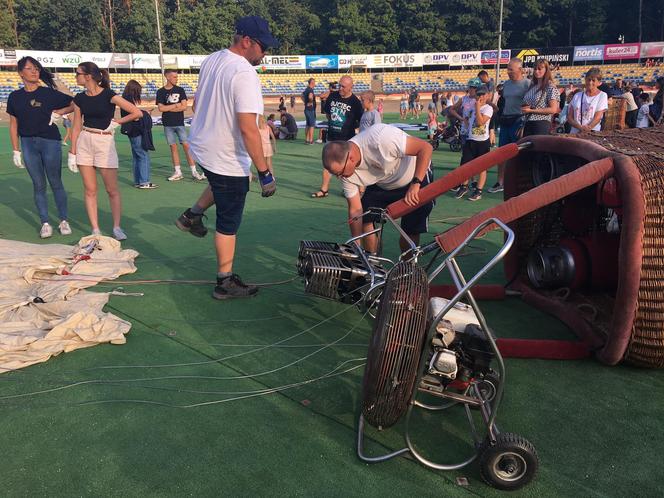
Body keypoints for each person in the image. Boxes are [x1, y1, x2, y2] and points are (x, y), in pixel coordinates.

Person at [175, 15, 278, 300]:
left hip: (203, 145)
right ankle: (224, 281)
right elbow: (248, 127)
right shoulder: (244, 73)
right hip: (224, 152)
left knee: (222, 185)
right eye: (263, 47)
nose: (265, 53)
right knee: (228, 222)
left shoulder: (212, 59)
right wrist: (264, 172)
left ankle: (191, 216)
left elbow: (197, 104)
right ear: (247, 42)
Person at [321, 123, 434, 253]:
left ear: (351, 158)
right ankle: (372, 261)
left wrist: (416, 183)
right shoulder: (345, 172)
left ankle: (407, 268)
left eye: (340, 173)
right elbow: (355, 210)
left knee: (409, 229)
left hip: (414, 176)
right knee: (365, 216)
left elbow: (425, 148)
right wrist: (355, 245)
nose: (339, 177)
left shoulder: (381, 138)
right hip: (383, 181)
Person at [70, 61, 142, 240]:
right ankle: (95, 229)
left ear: (88, 76)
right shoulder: (79, 98)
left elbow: (136, 112)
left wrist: (116, 123)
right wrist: (73, 152)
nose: (75, 76)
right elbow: (77, 125)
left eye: (78, 73)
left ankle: (116, 227)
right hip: (85, 140)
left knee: (111, 189)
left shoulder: (109, 95)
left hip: (104, 141)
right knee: (90, 189)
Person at [7, 56, 74, 238]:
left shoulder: (49, 93)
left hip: (50, 141)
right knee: (38, 184)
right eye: (30, 68)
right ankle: (45, 222)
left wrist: (59, 112)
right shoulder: (15, 97)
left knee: (55, 181)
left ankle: (63, 219)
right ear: (21, 73)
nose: (35, 71)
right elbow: (13, 124)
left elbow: (74, 104)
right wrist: (16, 149)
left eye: (36, 68)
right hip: (28, 144)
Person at [311, 75, 363, 198]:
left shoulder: (355, 102)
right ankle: (324, 190)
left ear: (351, 87)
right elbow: (328, 115)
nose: (340, 88)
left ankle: (350, 190)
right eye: (339, 85)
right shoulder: (333, 96)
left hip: (347, 140)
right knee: (327, 164)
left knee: (347, 166)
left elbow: (359, 121)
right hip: (332, 137)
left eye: (343, 86)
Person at [488, 57, 529, 194]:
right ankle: (500, 181)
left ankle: (518, 182)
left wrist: (524, 123)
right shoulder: (506, 84)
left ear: (520, 69)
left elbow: (530, 105)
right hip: (506, 120)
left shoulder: (527, 84)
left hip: (519, 120)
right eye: (508, 69)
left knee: (518, 153)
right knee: (502, 153)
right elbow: (503, 102)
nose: (508, 71)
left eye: (511, 69)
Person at [156, 69, 205, 182]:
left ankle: (194, 171)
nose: (176, 79)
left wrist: (169, 108)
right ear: (167, 77)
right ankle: (177, 172)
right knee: (173, 147)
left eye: (176, 77)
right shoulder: (160, 91)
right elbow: (160, 108)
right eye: (174, 77)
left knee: (186, 146)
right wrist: (175, 106)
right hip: (167, 124)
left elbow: (184, 107)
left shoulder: (180, 90)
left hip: (179, 123)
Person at [454, 86, 493, 202]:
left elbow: (481, 122)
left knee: (482, 168)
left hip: (482, 142)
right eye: (478, 94)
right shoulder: (472, 108)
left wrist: (477, 107)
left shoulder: (487, 108)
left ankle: (478, 190)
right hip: (471, 139)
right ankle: (464, 186)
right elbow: (467, 120)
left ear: (487, 95)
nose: (480, 97)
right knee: (465, 165)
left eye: (482, 94)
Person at [121, 80, 157, 189]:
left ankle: (138, 181)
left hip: (131, 131)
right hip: (136, 131)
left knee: (137, 156)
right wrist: (145, 113)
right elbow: (135, 116)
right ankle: (144, 181)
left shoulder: (124, 99)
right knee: (143, 155)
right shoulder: (128, 100)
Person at [520, 59, 560, 137]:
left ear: (546, 70)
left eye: (539, 69)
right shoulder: (532, 86)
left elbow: (553, 109)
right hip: (528, 123)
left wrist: (531, 110)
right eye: (535, 69)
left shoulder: (550, 87)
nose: (536, 71)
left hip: (541, 124)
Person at [567, 67, 608, 134]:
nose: (590, 82)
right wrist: (579, 127)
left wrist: (588, 128)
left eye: (593, 80)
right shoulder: (577, 95)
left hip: (592, 132)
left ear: (599, 83)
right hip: (575, 132)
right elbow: (570, 117)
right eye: (588, 80)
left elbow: (598, 117)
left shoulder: (602, 96)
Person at [302, 78, 316, 144]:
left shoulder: (307, 89)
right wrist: (310, 102)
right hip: (310, 109)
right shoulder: (310, 90)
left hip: (306, 109)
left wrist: (305, 101)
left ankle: (307, 140)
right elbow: (310, 97)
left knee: (308, 125)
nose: (315, 84)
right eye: (314, 82)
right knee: (312, 125)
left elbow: (301, 95)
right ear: (312, 82)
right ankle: (310, 140)